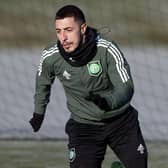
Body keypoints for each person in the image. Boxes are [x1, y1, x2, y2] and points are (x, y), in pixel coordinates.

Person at [29, 5, 148, 168]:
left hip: (121, 122)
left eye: (69, 30)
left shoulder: (106, 49)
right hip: (83, 127)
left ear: (83, 28)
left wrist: (108, 102)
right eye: (58, 31)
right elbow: (43, 82)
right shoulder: (51, 56)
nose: (63, 37)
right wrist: (38, 112)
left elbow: (126, 87)